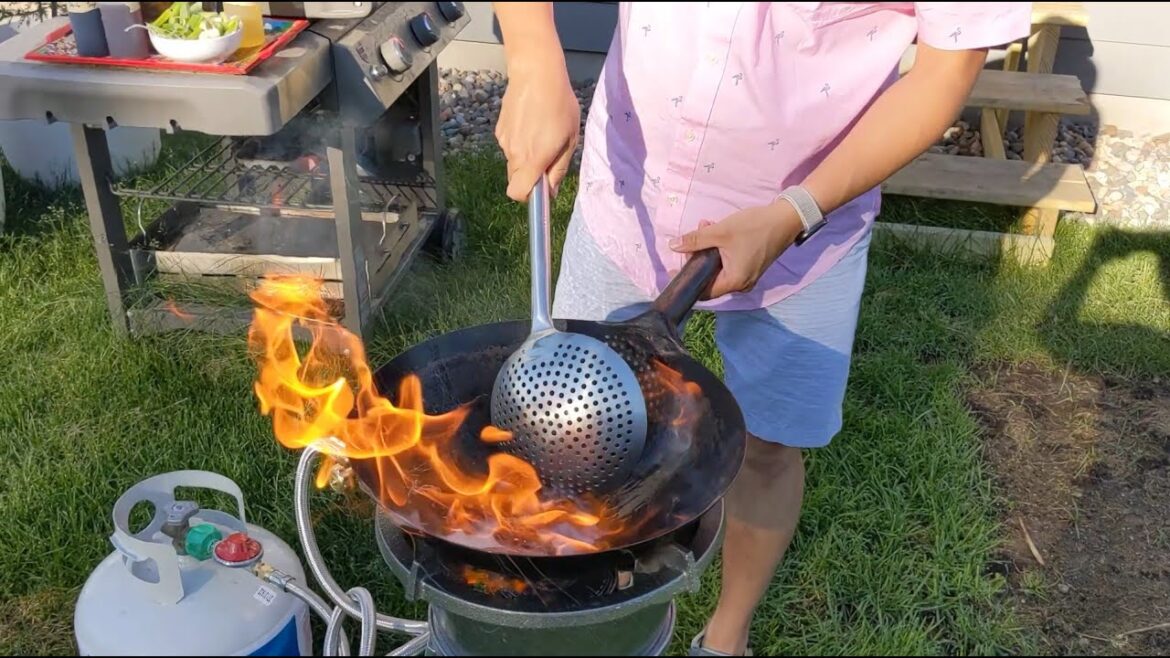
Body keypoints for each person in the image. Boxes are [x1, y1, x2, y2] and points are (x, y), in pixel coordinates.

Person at [491, 3, 1032, 655]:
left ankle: (726, 635)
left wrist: (792, 215)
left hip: (807, 235)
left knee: (769, 447)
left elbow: (943, 76)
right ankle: (589, 612)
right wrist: (530, 55)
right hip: (628, 194)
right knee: (577, 432)